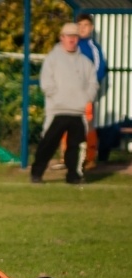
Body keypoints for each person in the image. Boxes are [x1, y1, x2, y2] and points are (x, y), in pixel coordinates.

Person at [30, 22, 99, 185]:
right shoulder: (52, 59)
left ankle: (74, 176)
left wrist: (85, 99)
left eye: (74, 36)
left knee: (76, 146)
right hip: (57, 110)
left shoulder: (85, 62)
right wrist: (57, 97)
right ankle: (37, 173)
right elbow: (46, 82)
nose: (71, 40)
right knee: (48, 143)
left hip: (78, 111)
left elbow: (93, 83)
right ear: (62, 37)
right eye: (68, 36)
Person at [55, 14, 108, 170]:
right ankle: (66, 157)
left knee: (87, 123)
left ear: (91, 28)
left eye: (86, 25)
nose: (82, 28)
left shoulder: (93, 47)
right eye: (80, 25)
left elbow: (100, 69)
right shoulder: (70, 45)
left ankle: (90, 158)